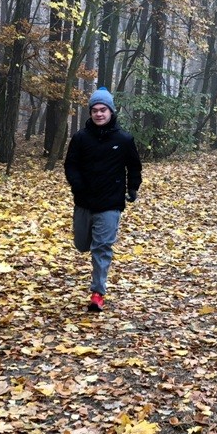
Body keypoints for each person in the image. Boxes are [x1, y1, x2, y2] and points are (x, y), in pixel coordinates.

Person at [64, 86, 142, 312]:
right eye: (95, 110)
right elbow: (70, 165)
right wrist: (77, 185)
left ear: (111, 111)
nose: (99, 114)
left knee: (102, 247)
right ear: (90, 113)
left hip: (110, 203)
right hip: (84, 202)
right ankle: (92, 250)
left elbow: (134, 166)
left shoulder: (124, 139)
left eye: (103, 110)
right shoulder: (80, 138)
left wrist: (133, 187)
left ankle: (97, 293)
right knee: (82, 245)